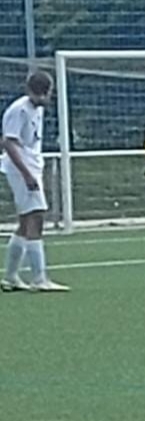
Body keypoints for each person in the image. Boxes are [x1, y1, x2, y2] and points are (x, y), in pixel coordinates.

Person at [2, 71, 68, 293]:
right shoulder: (18, 110)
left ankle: (11, 277)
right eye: (41, 94)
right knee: (36, 216)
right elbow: (8, 143)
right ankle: (39, 278)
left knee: (25, 221)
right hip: (21, 168)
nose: (44, 98)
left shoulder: (36, 109)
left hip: (30, 165)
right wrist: (27, 174)